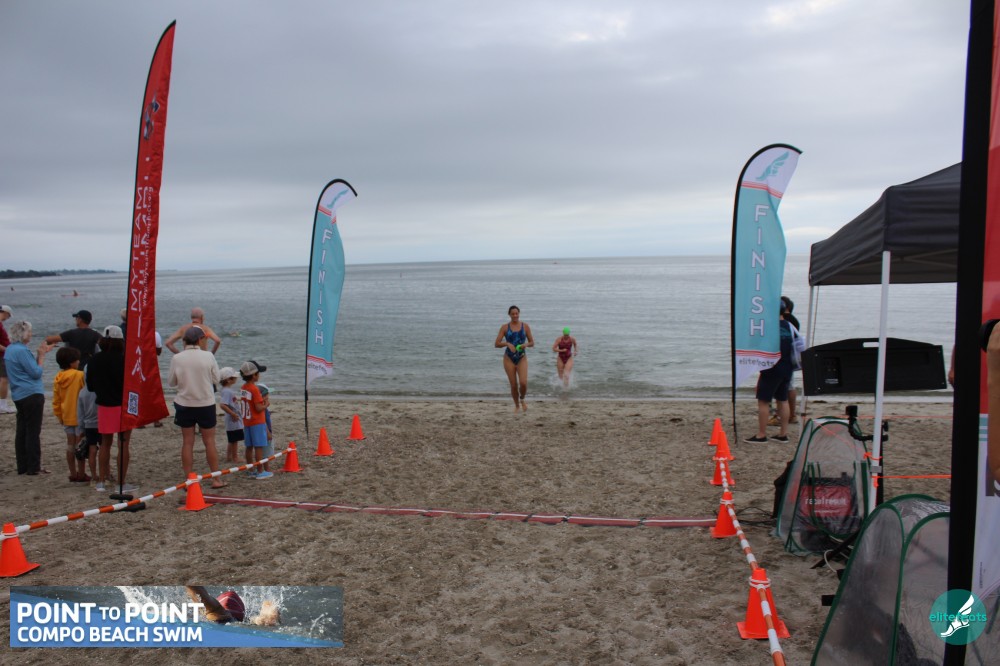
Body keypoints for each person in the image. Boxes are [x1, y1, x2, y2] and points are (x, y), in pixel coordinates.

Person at [167, 326, 227, 489]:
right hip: (205, 403)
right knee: (209, 441)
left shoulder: (177, 358)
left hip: (185, 403)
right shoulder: (208, 356)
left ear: (184, 340)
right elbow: (216, 379)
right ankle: (216, 479)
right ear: (200, 339)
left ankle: (189, 480)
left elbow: (171, 382)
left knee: (187, 442)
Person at [86, 325, 135, 493]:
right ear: (121, 341)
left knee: (105, 443)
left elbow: (90, 386)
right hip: (123, 405)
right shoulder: (125, 360)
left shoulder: (94, 360)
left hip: (104, 405)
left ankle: (101, 481)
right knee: (123, 444)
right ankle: (121, 483)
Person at [745, 311, 806, 444]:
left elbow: (757, 344)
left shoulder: (768, 326)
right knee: (782, 400)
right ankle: (783, 434)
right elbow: (799, 344)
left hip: (771, 367)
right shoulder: (790, 326)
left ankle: (761, 434)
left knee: (763, 401)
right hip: (787, 367)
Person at [5, 320, 54, 475]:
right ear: (24, 334)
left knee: (22, 430)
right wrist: (41, 357)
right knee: (32, 431)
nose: (31, 335)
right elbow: (36, 373)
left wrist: (41, 353)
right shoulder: (21, 350)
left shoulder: (10, 349)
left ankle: (23, 466)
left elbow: (25, 369)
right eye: (30, 332)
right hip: (31, 393)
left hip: (18, 393)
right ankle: (33, 466)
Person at [52, 347, 89, 483]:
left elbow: (56, 400)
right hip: (80, 416)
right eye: (77, 360)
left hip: (67, 416)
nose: (79, 362)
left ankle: (73, 473)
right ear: (72, 362)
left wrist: (60, 416)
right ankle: (81, 473)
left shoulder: (58, 377)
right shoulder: (79, 375)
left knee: (70, 445)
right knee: (80, 446)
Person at [768, 296, 806, 426]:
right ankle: (791, 414)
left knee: (782, 389)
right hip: (790, 359)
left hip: (782, 358)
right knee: (789, 386)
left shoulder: (785, 321)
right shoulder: (794, 321)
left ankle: (782, 415)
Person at [494, 305, 534, 412]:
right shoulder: (504, 327)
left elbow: (532, 342)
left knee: (523, 383)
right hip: (509, 358)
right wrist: (507, 344)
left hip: (521, 358)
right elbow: (496, 344)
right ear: (509, 315)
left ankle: (522, 399)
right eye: (513, 314)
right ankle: (517, 406)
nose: (515, 315)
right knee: (513, 385)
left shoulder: (525, 326)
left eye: (517, 313)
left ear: (519, 313)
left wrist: (526, 345)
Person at [240, 361, 272, 479]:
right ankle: (260, 471)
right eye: (258, 373)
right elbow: (258, 408)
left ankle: (250, 470)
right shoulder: (254, 389)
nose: (259, 375)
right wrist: (266, 405)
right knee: (259, 446)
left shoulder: (243, 387)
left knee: (249, 446)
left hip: (247, 421)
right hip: (257, 422)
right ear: (254, 375)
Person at [76, 369, 100, 484]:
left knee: (92, 449)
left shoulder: (82, 392)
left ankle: (94, 475)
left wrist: (81, 428)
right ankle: (105, 473)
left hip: (88, 424)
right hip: (100, 422)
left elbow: (80, 414)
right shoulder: (100, 390)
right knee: (104, 448)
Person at [218, 367, 244, 463]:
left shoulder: (226, 390)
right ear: (228, 380)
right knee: (234, 439)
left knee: (232, 439)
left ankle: (229, 457)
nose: (236, 378)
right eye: (234, 377)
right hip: (233, 419)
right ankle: (235, 457)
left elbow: (228, 402)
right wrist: (233, 413)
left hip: (231, 419)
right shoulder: (227, 391)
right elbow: (222, 405)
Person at [0, 304, 15, 414]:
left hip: (3, 354)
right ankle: (2, 405)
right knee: (4, 379)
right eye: (8, 316)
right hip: (2, 355)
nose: (7, 318)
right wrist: (7, 350)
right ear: (5, 313)